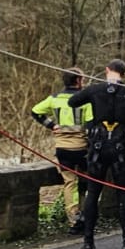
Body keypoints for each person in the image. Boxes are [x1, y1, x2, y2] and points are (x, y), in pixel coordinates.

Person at [68, 59, 125, 249]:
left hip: (98, 148)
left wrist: (90, 99)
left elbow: (73, 102)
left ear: (107, 71)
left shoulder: (95, 90)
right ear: (123, 74)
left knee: (92, 193)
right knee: (124, 195)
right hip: (119, 149)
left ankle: (88, 243)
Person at [31, 69, 92, 235]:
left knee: (69, 183)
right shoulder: (85, 101)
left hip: (63, 149)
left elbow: (35, 111)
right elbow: (91, 124)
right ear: (78, 80)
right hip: (82, 148)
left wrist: (51, 125)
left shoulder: (54, 99)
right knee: (85, 182)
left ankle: (73, 219)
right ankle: (86, 214)